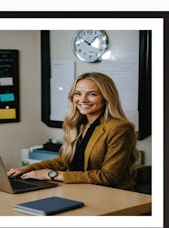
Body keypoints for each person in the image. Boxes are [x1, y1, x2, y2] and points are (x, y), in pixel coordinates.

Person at [7, 72, 139, 191]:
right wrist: (27, 169)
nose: (83, 100)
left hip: (112, 195)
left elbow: (109, 176)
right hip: (81, 190)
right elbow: (64, 161)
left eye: (92, 94)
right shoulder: (77, 124)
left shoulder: (119, 128)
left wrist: (51, 174)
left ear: (106, 98)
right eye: (78, 93)